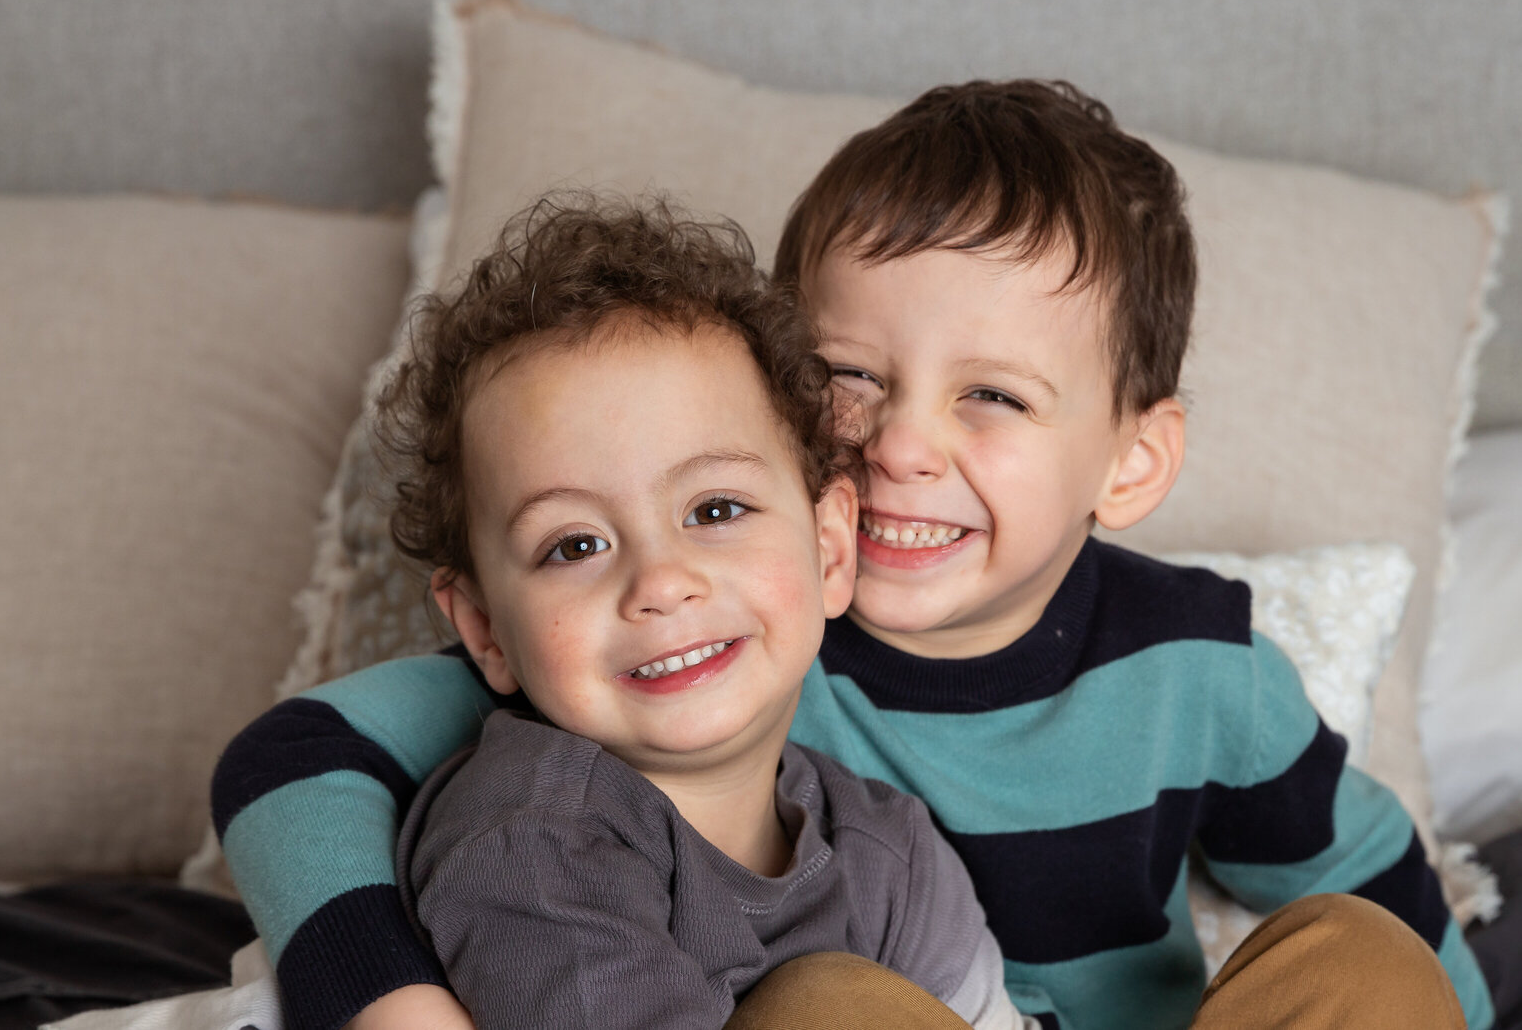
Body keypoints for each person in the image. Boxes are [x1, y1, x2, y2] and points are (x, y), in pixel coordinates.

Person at [211, 81, 1492, 1030]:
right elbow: (294, 759)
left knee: (1359, 953)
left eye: (989, 395)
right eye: (846, 379)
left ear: (1130, 460)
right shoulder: (714, 640)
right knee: (830, 1004)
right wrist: (384, 998)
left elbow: (1364, 863)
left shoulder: (1198, 667)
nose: (899, 446)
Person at [287, 193, 1027, 1030]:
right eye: (574, 545)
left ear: (829, 549)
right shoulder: (530, 844)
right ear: (486, 630)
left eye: (715, 510)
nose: (660, 581)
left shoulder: (891, 856)